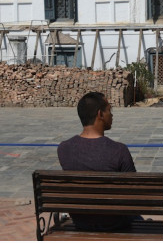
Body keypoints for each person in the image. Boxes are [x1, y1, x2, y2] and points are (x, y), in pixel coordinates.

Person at [57, 91, 137, 231]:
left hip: (81, 221)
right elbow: (134, 191)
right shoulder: (119, 150)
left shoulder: (64, 149)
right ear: (100, 114)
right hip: (116, 223)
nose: (111, 115)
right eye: (109, 110)